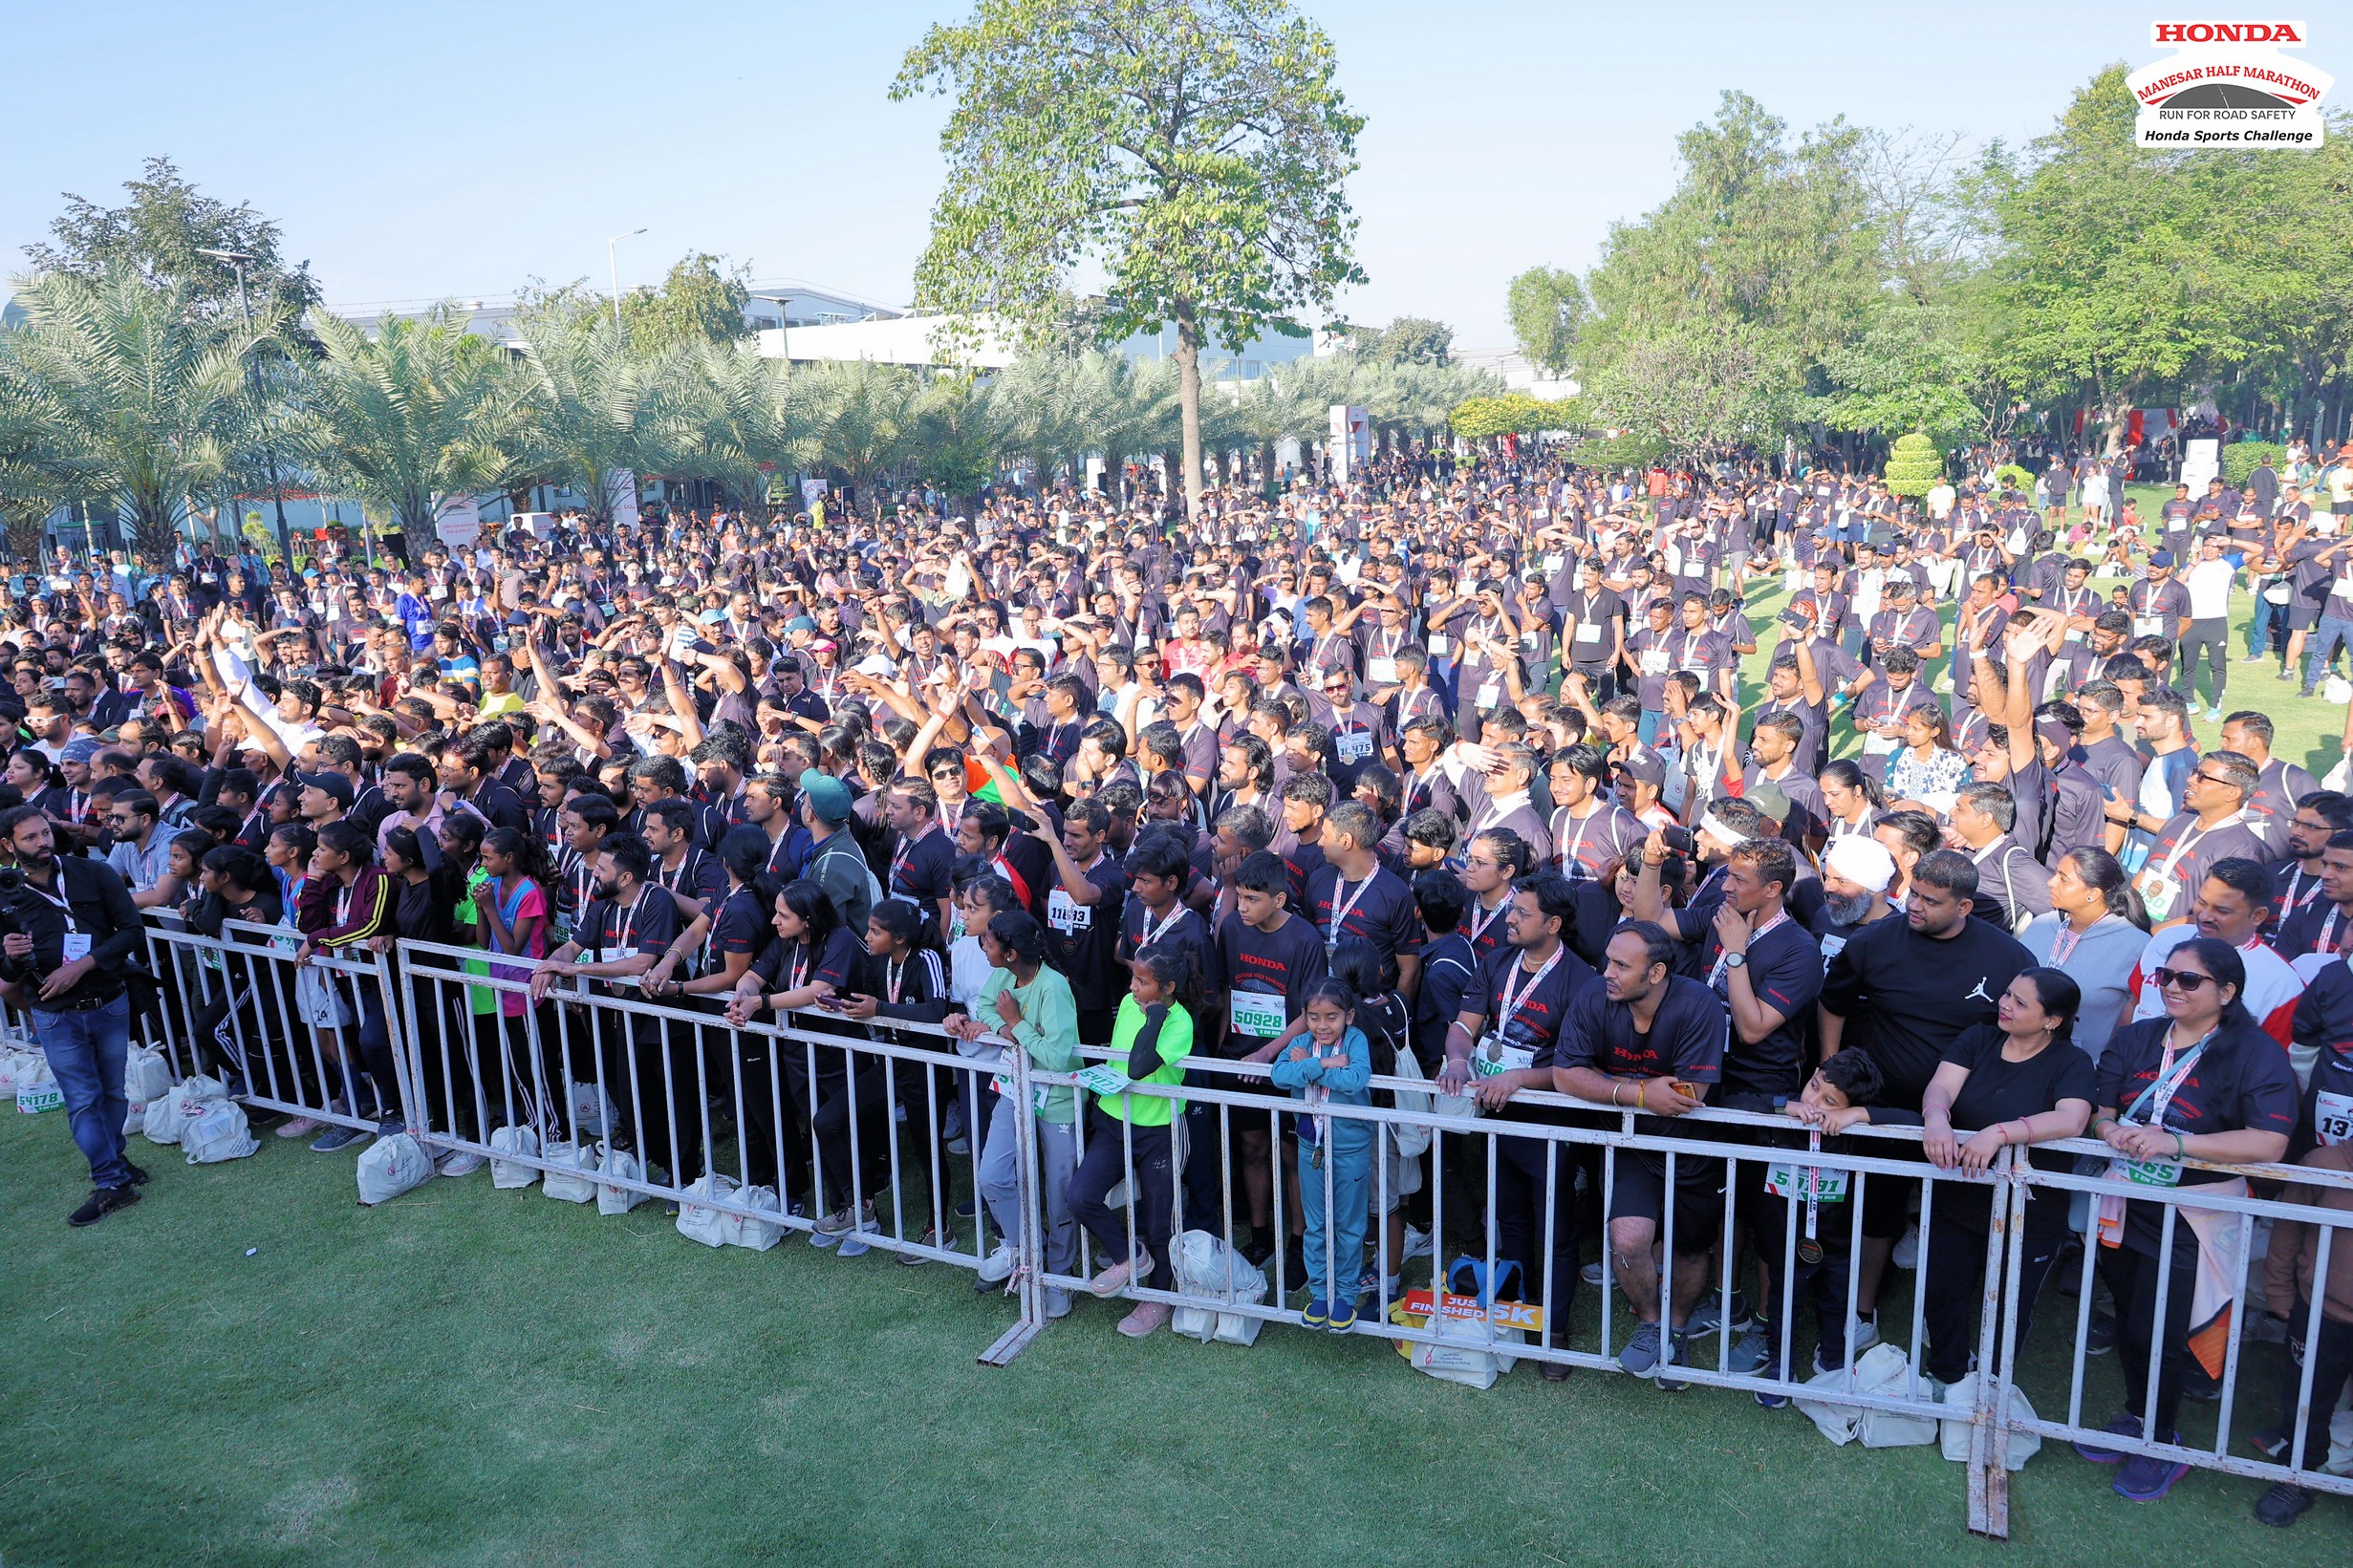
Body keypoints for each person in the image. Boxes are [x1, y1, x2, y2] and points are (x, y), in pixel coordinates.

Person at [2077, 936, 2297, 1503]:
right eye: (2166, 977)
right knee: (2130, 1320)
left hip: (2196, 1215)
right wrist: (2109, 1130)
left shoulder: (2255, 1052)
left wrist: (2177, 1143)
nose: (2172, 987)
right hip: (2126, 1201)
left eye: (2189, 980)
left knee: (2162, 1330)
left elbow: (2270, 1142)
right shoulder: (2138, 1037)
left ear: (2227, 992)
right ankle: (2138, 1416)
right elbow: (2101, 1108)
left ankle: (2162, 1440)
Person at [1820, 848, 2034, 1344]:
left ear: (1964, 906)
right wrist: (1830, 1074)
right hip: (1882, 1111)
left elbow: (2029, 1035)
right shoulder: (1874, 940)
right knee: (1874, 1212)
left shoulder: (2008, 958)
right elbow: (1832, 1005)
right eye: (1913, 893)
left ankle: (1948, 1323)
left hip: (1967, 1119)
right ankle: (1862, 1313)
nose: (1914, 905)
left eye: (1930, 901)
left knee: (1959, 1223)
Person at [1553, 919, 1727, 1385]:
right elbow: (1565, 1074)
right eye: (1608, 960)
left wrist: (1606, 1082)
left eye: (1621, 966)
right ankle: (1652, 1324)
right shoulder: (1595, 994)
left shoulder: (1698, 1004)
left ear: (1656, 973)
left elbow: (1687, 1095)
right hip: (1633, 1142)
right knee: (1628, 1240)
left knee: (1691, 1250)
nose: (1607, 972)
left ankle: (1677, 1329)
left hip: (1694, 1148)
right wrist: (1640, 1093)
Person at [0, 805, 149, 1226]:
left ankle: (115, 1161)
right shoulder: (4, 893)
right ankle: (111, 1181)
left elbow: (132, 931)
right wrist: (10, 957)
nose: (42, 842)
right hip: (54, 1013)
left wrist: (81, 966)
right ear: (9, 844)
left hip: (109, 1001)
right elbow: (6, 974)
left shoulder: (92, 872)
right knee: (83, 1100)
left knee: (113, 1092)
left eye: (45, 833)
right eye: (30, 838)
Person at [945, 910, 1079, 1321]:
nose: (983, 947)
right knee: (992, 1176)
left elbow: (1057, 1058)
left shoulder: (1053, 987)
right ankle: (1023, 1249)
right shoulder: (1004, 974)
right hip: (1013, 1090)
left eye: (989, 943)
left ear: (1011, 953)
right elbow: (986, 1008)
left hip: (1056, 1100)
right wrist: (1008, 1029)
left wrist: (1015, 1023)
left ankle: (1059, 1274)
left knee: (1060, 1194)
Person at [1069, 948, 1197, 1339]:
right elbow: (1120, 1061)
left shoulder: (1180, 1022)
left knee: (1160, 1223)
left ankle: (1158, 1297)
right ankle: (1129, 1256)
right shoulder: (1127, 1003)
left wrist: (1156, 1015)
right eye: (1134, 978)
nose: (1132, 987)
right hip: (1115, 1121)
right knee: (1080, 1196)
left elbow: (1140, 1065)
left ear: (1168, 988)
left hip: (1160, 1131)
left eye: (1142, 981)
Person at [1264, 977, 1376, 1331]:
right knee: (1316, 1224)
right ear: (1304, 1016)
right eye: (1313, 1017)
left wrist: (1307, 1070)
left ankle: (1344, 1295)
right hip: (1311, 1145)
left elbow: (1355, 1078)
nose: (1322, 1025)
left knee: (1348, 1226)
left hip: (1350, 1147)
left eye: (1331, 1017)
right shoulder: (1300, 1041)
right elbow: (1280, 1074)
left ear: (1349, 1016)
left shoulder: (1355, 1040)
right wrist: (1325, 1065)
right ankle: (1319, 1293)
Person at [2020, 848, 2150, 1063]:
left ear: (2093, 894)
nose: (2050, 883)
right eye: (2055, 874)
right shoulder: (2042, 925)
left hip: (2083, 1066)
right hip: (2020, 1051)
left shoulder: (2136, 945)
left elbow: (2137, 1018)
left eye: (2063, 879)